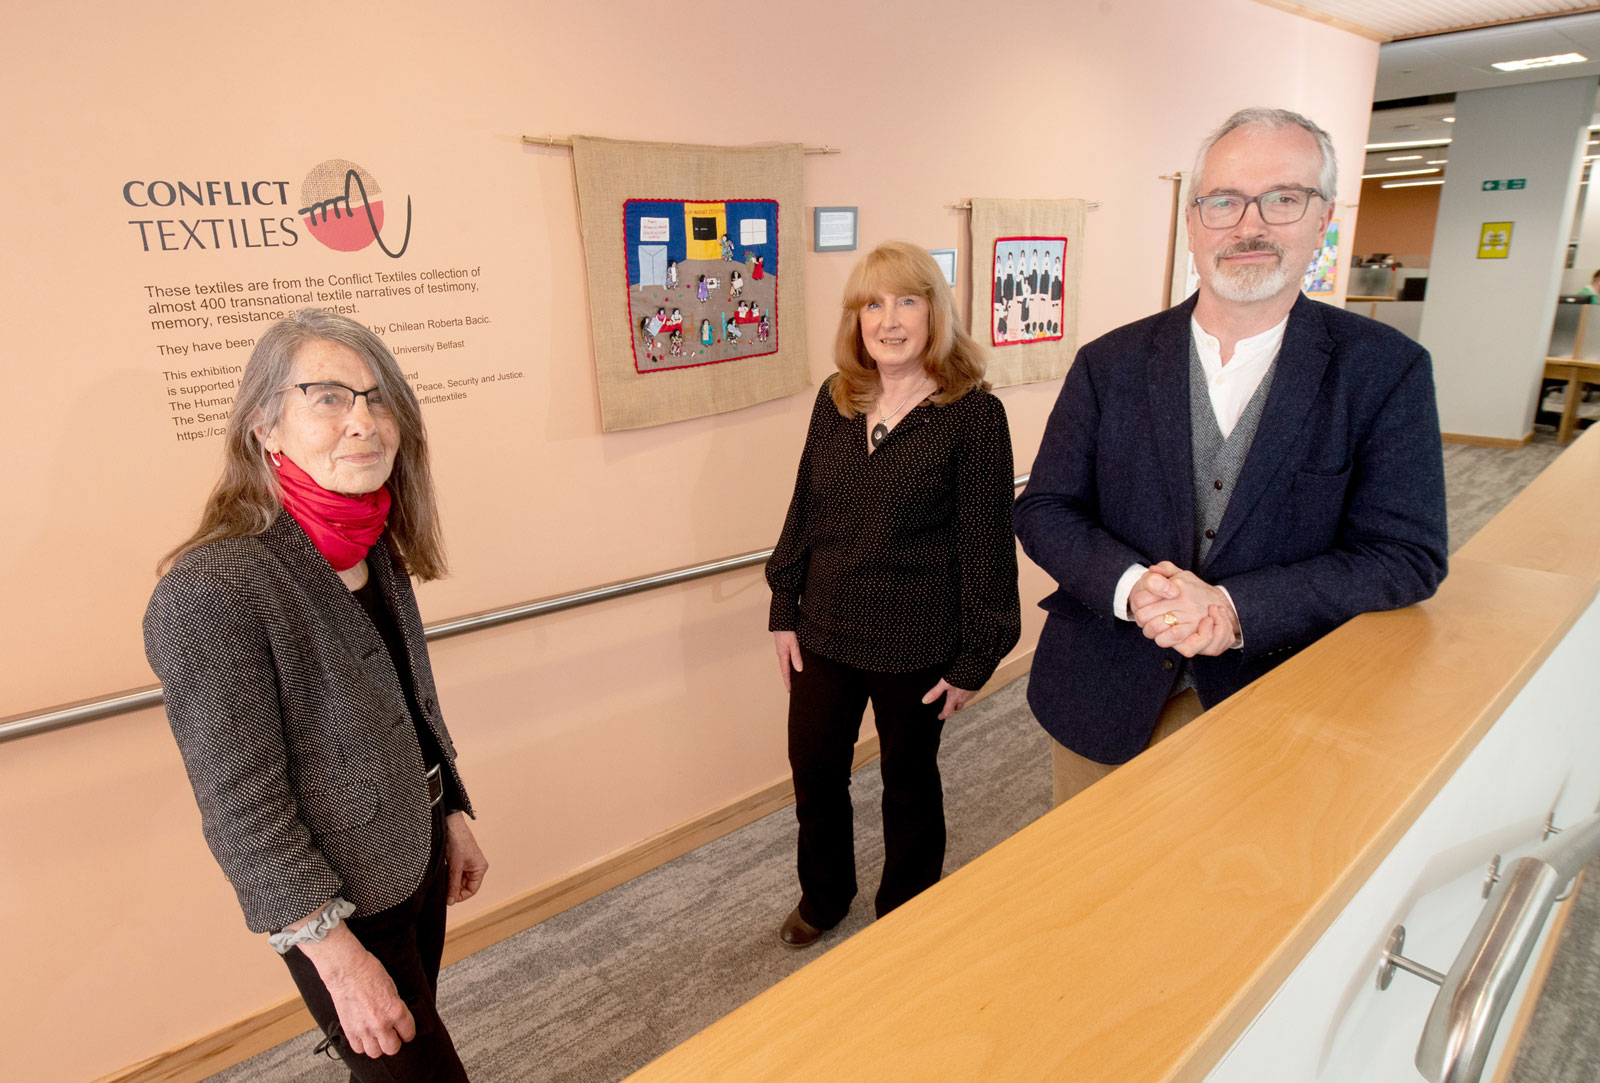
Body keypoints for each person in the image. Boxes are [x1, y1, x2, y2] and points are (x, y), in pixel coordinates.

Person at [1014, 107, 1448, 808]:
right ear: (1193, 223)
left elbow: (1407, 555)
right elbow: (1045, 509)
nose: (1250, 225)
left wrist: (1234, 606)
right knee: (1084, 873)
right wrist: (1133, 587)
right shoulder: (1109, 362)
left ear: (1322, 218)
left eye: (1282, 198)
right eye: (1223, 201)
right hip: (1101, 693)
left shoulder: (1385, 370)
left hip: (1279, 704)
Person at [144, 308, 487, 1081]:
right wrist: (336, 958)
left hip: (416, 849)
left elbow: (409, 702)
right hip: (341, 902)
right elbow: (243, 811)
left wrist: (451, 814)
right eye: (327, 397)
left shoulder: (373, 542)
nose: (362, 421)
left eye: (377, 397)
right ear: (264, 424)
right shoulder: (213, 589)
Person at [766, 241, 1021, 948]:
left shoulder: (974, 415)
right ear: (857, 319)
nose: (889, 319)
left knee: (908, 781)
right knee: (815, 771)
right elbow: (805, 507)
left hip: (916, 639)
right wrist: (784, 607)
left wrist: (977, 657)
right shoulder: (836, 398)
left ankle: (907, 915)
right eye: (873, 304)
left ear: (935, 313)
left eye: (908, 301)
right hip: (824, 629)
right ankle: (824, 897)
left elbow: (986, 545)